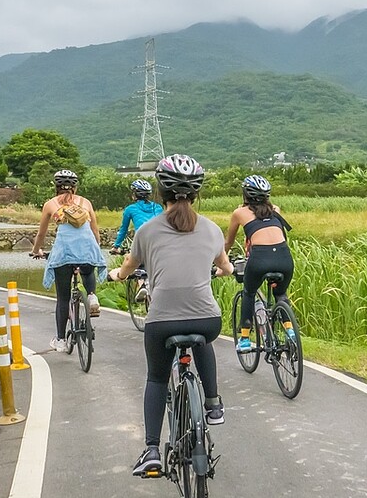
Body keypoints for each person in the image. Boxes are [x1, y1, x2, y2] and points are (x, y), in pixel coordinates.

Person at [109, 154, 234, 476]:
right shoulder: (211, 229)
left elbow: (128, 267)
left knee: (156, 377)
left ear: (160, 192)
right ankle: (213, 404)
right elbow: (225, 266)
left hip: (162, 321)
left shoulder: (147, 231)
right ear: (196, 194)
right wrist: (224, 270)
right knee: (202, 336)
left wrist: (118, 276)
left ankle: (151, 449)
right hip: (207, 319)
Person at [31, 169, 107, 352]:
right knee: (88, 270)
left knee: (63, 299)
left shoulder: (50, 204)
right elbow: (95, 231)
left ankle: (60, 340)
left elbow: (41, 233)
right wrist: (95, 248)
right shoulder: (85, 202)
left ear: (56, 186)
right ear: (75, 186)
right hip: (87, 250)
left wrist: (36, 250)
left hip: (64, 253)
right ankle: (91, 295)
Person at [224, 174, 295, 352]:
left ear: (245, 194)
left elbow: (228, 242)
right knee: (281, 295)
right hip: (284, 258)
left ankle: (246, 339)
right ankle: (291, 332)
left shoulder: (239, 213)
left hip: (259, 259)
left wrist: (222, 261)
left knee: (249, 292)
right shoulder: (276, 209)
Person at [110, 178, 163, 252]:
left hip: (142, 244)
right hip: (159, 244)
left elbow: (123, 230)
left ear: (135, 194)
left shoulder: (130, 209)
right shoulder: (158, 207)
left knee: (131, 262)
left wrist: (116, 246)